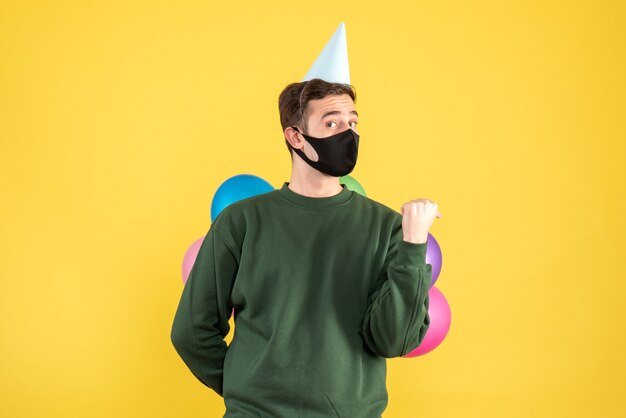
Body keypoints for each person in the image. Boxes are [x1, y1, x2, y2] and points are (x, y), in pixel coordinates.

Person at [171, 78, 441, 417]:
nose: (349, 133)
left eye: (353, 122)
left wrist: (413, 246)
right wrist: (245, 388)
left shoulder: (388, 227)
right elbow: (192, 331)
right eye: (332, 122)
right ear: (295, 136)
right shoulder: (241, 222)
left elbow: (392, 340)